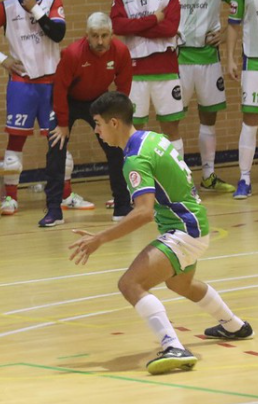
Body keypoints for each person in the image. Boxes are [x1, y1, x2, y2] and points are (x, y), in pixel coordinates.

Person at [69, 92, 252, 375]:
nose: (96, 131)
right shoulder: (152, 138)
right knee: (181, 285)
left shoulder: (134, 158)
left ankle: (173, 346)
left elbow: (143, 212)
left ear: (114, 123)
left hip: (184, 230)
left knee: (130, 284)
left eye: (97, 124)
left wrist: (100, 238)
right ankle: (235, 326)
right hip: (194, 223)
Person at [0, 0, 93, 216]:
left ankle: (65, 195)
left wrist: (35, 9)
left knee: (58, 139)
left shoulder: (52, 2)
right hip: (22, 84)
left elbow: (58, 34)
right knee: (16, 140)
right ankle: (10, 197)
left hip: (52, 84)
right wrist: (2, 59)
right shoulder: (6, 6)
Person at [43, 12, 133, 227]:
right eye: (95, 36)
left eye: (104, 36)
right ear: (87, 35)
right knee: (56, 146)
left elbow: (123, 88)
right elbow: (60, 89)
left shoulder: (121, 52)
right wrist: (63, 124)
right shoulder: (73, 54)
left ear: (111, 34)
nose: (100, 41)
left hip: (98, 100)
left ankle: (122, 205)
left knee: (115, 148)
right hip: (67, 100)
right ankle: (54, 210)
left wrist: (118, 119)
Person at [111, 0, 186, 156]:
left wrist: (133, 27)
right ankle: (137, 179)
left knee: (171, 127)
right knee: (133, 130)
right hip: (134, 72)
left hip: (166, 69)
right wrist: (153, 20)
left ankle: (178, 179)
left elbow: (170, 29)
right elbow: (118, 26)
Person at [178, 0, 235, 193]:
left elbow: (241, 5)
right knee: (172, 119)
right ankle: (178, 179)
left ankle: (207, 176)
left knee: (209, 116)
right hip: (178, 56)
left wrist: (228, 32)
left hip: (209, 56)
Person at [228, 0, 258, 199]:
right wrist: (230, 57)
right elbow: (233, 23)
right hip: (253, 59)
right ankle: (245, 177)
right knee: (250, 119)